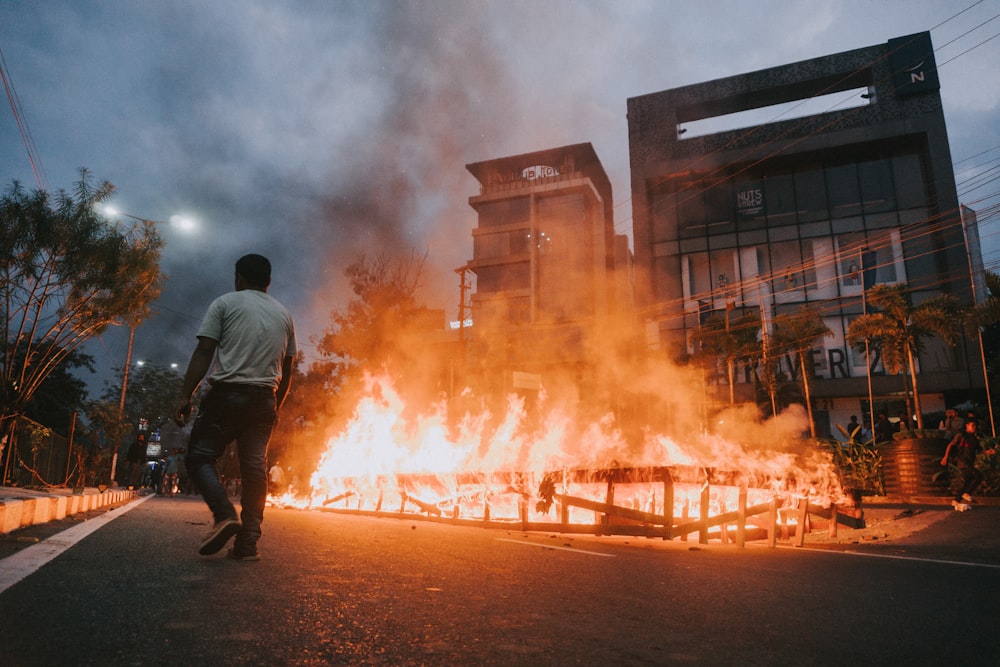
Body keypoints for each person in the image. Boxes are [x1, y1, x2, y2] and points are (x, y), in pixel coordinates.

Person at [176, 254, 296, 561]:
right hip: (264, 398)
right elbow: (289, 368)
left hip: (228, 395)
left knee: (200, 457)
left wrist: (184, 395)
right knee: (255, 468)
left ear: (238, 278)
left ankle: (224, 514)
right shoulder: (284, 315)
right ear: (268, 282)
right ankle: (248, 542)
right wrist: (276, 406)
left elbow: (204, 350)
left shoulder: (225, 303)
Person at [941, 418, 995, 509]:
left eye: (975, 426)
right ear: (967, 426)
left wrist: (988, 452)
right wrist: (945, 457)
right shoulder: (961, 435)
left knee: (967, 481)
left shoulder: (974, 438)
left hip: (970, 462)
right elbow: (950, 445)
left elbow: (979, 450)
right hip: (962, 462)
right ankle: (967, 493)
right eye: (972, 425)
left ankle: (956, 500)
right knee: (978, 476)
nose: (974, 428)